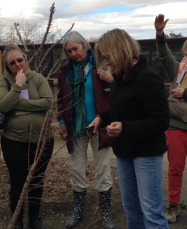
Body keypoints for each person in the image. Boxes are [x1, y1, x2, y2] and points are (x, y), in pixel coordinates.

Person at [90, 28, 170, 229]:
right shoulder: (121, 77)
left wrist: (125, 128)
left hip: (147, 154)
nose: (107, 64)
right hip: (125, 152)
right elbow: (120, 108)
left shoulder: (148, 77)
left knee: (151, 212)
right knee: (131, 208)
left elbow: (161, 121)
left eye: (108, 57)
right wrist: (101, 118)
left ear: (121, 50)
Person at [57, 31, 114, 229]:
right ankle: (78, 210)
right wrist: (62, 121)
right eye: (69, 51)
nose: (73, 53)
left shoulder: (102, 65)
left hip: (101, 125)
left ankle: (105, 212)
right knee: (77, 170)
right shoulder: (65, 70)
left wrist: (110, 79)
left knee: (103, 169)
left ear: (84, 46)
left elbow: (115, 92)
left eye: (76, 48)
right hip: (76, 128)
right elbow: (60, 99)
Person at [0, 44, 54, 229]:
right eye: (12, 63)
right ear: (7, 66)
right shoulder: (4, 82)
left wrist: (18, 105)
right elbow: (3, 106)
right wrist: (17, 86)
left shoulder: (38, 78)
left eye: (20, 60)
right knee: (18, 181)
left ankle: (34, 217)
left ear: (25, 58)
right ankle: (17, 220)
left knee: (37, 180)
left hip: (41, 141)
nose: (17, 64)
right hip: (13, 141)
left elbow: (47, 102)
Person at [155, 14, 187, 223]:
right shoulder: (179, 69)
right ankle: (174, 204)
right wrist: (159, 34)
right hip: (176, 124)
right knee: (175, 168)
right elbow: (165, 56)